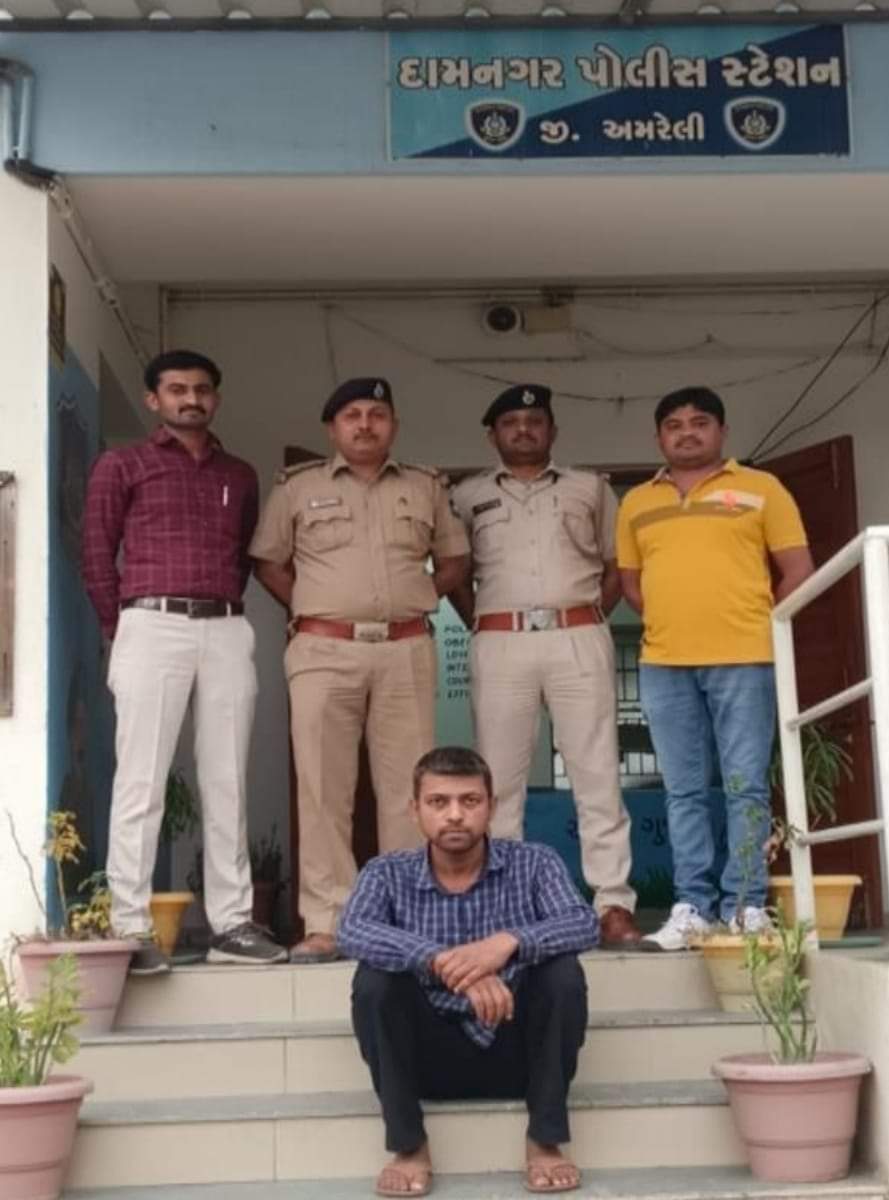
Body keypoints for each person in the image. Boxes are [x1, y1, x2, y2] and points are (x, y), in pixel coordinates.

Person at [81, 349, 287, 975]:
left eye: (201, 389)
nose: (190, 399)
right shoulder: (123, 464)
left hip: (224, 625)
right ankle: (130, 925)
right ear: (154, 399)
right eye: (177, 389)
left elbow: (243, 554)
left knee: (228, 778)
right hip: (150, 622)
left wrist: (218, 615)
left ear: (215, 397)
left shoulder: (240, 474)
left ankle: (232, 924)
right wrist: (122, 628)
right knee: (140, 780)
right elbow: (96, 553)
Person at [250, 377, 469, 964]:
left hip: (405, 647)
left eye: (377, 413)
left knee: (409, 790)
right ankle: (328, 921)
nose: (365, 424)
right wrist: (316, 609)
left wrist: (416, 596)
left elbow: (453, 561)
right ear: (333, 428)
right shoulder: (298, 488)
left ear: (393, 425)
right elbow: (268, 562)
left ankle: (408, 916)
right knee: (323, 788)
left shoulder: (425, 486)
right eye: (352, 415)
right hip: (324, 652)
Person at [340, 745, 597, 1197]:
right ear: (415, 810)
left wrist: (504, 945)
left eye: (470, 801)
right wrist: (441, 960)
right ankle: (409, 1147)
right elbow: (352, 930)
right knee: (373, 983)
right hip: (427, 1056)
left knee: (563, 974)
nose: (455, 815)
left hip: (517, 1050)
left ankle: (545, 1140)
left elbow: (583, 923)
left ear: (491, 807)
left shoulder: (534, 863)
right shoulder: (386, 873)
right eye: (439, 802)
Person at [616, 386, 814, 950]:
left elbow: (799, 570)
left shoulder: (762, 488)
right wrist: (678, 622)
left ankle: (746, 905)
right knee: (683, 792)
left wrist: (753, 621)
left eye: (699, 422)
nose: (687, 432)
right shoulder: (636, 502)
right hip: (664, 662)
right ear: (659, 437)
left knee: (745, 787)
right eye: (674, 424)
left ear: (721, 431)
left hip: (745, 658)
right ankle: (693, 908)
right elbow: (632, 585)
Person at [449, 384, 642, 949]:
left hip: (577, 633)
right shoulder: (465, 495)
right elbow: (456, 574)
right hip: (500, 638)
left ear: (552, 431)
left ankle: (612, 904)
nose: (524, 430)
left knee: (597, 773)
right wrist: (481, 621)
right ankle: (502, 904)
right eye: (511, 422)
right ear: (492, 435)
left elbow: (617, 564)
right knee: (498, 781)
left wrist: (592, 615)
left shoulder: (590, 488)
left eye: (535, 421)